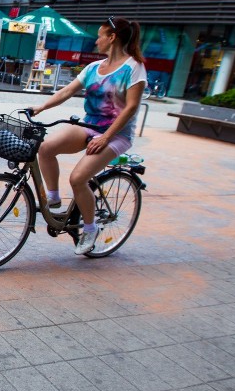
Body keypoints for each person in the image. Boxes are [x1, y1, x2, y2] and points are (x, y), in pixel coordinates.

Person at [30, 16, 147, 255]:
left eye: (100, 35)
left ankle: (91, 230)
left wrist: (105, 138)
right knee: (46, 147)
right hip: (90, 125)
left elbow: (131, 107)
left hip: (116, 135)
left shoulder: (134, 68)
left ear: (112, 38)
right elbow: (68, 91)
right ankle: (53, 198)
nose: (96, 41)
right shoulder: (94, 68)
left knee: (78, 178)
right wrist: (41, 107)